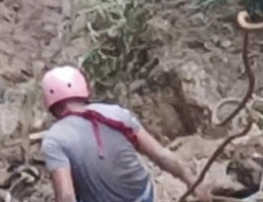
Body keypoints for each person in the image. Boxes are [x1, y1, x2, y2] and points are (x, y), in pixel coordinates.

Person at [40, 65, 213, 202]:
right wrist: (193, 181)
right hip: (143, 196)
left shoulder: (54, 139)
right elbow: (160, 155)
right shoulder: (117, 113)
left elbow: (66, 196)